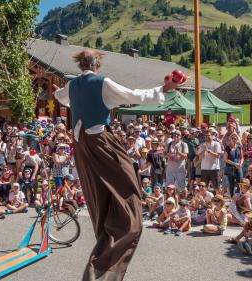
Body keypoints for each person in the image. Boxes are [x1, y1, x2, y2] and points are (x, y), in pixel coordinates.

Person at [52, 49, 179, 280]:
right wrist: (164, 89)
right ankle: (104, 267)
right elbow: (134, 96)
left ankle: (103, 261)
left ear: (80, 65)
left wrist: (56, 93)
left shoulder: (72, 86)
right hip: (101, 142)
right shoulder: (102, 82)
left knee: (100, 199)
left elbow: (60, 96)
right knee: (129, 197)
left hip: (81, 146)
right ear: (97, 65)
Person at [224, 133, 243, 197]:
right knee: (231, 184)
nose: (234, 140)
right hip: (230, 168)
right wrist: (235, 164)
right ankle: (232, 197)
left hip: (238, 167)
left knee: (240, 182)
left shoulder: (239, 147)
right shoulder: (227, 147)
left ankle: (239, 196)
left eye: (235, 138)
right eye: (232, 138)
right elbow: (225, 159)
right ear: (230, 139)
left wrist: (240, 164)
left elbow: (242, 157)